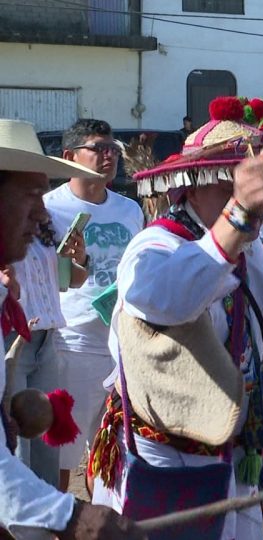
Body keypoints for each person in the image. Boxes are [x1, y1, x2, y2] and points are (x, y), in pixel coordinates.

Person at [88, 97, 263, 539]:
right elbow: (169, 298)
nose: (254, 203)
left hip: (230, 451)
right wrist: (237, 218)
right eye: (229, 186)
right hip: (165, 458)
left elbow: (261, 326)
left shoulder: (242, 249)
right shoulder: (155, 245)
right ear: (192, 187)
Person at [0, 117, 143, 539]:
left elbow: (66, 278)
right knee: (51, 454)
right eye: (30, 196)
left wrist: (74, 261)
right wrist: (71, 517)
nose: (42, 211)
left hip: (50, 337)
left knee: (39, 448)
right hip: (58, 339)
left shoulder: (124, 210)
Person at [43, 119, 145, 490]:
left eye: (112, 148)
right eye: (98, 148)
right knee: (62, 456)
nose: (109, 155)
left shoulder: (130, 209)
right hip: (72, 341)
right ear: (69, 157)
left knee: (115, 454)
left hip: (123, 342)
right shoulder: (49, 208)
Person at [6, 212, 88, 487]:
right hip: (12, 342)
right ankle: (18, 527)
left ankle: (47, 523)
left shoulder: (46, 221)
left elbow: (71, 280)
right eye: (34, 186)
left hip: (47, 340)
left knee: (47, 439)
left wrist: (80, 258)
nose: (41, 193)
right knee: (17, 443)